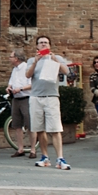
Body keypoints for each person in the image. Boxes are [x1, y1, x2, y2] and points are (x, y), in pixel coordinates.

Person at [25, 35, 71, 170]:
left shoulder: (57, 59)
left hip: (51, 96)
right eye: (41, 43)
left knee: (56, 128)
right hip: (36, 97)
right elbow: (28, 75)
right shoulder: (32, 60)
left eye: (46, 43)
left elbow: (67, 71)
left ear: (50, 45)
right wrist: (35, 61)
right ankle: (45, 157)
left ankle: (60, 158)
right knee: (39, 129)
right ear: (37, 46)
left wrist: (55, 59)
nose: (43, 45)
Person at [5, 49, 35, 158]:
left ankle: (33, 150)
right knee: (17, 125)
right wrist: (9, 88)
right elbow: (11, 83)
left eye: (11, 56)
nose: (10, 58)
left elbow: (32, 84)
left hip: (26, 98)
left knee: (30, 125)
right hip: (16, 99)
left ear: (16, 58)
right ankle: (20, 148)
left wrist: (21, 89)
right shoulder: (14, 70)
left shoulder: (27, 68)